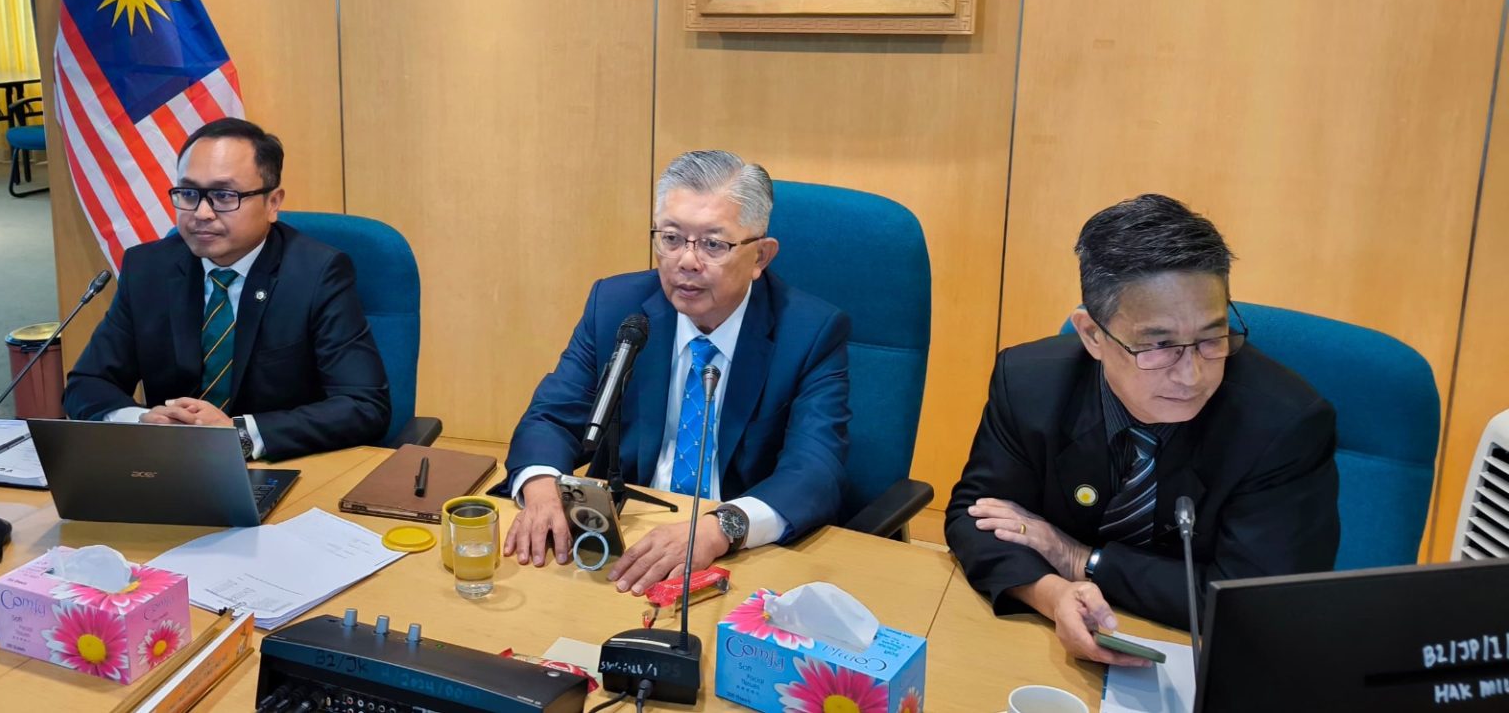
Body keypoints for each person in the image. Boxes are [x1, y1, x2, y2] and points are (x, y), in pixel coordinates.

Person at [946, 194, 1339, 666]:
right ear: (1092, 335)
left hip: (1215, 662)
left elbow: (1256, 606)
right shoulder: (1030, 383)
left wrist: (1079, 560)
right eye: (1159, 345)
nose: (1193, 374)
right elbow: (979, 516)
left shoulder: (1283, 425)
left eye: (1212, 337)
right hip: (1057, 652)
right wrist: (1052, 595)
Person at [502, 150, 850, 596]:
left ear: (761, 256)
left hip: (743, 557)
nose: (686, 261)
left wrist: (718, 528)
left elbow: (815, 470)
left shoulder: (810, 333)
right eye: (671, 238)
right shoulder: (616, 308)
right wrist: (541, 484)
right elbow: (551, 416)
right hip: (630, 539)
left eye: (713, 244)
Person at [63, 117, 390, 461]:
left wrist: (240, 435)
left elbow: (364, 405)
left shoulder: (318, 274)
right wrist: (143, 420)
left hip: (286, 470)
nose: (202, 213)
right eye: (189, 193)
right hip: (172, 469)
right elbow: (86, 386)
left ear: (273, 203)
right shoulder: (148, 268)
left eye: (223, 195)